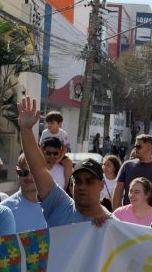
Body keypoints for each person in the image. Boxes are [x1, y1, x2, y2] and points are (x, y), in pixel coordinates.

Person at [18, 96, 112, 228]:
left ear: (102, 185)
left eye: (89, 181)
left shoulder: (111, 224)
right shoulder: (57, 205)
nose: (82, 187)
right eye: (78, 181)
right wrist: (26, 130)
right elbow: (38, 169)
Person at [113, 135, 152, 209]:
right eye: (135, 146)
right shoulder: (127, 166)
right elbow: (118, 192)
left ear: (148, 147)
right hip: (128, 217)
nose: (135, 149)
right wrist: (115, 214)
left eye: (138, 146)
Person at [1, 154, 48, 232]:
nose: (29, 177)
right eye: (23, 172)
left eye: (33, 172)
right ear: (17, 172)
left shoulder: (54, 207)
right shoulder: (5, 209)